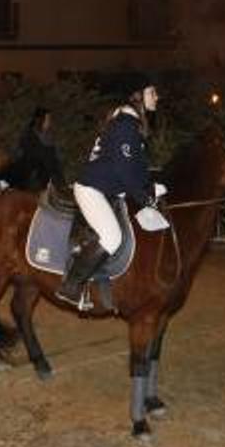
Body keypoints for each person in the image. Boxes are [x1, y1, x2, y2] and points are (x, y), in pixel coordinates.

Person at [56, 74, 163, 309]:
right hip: (93, 190)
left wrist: (153, 187)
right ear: (138, 96)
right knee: (112, 238)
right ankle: (71, 285)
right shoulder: (125, 125)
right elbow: (125, 173)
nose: (157, 96)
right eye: (152, 92)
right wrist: (146, 198)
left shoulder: (130, 123)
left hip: (109, 190)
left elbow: (137, 168)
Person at [8, 106, 63, 191]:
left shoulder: (48, 136)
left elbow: (54, 159)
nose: (49, 122)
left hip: (49, 180)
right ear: (40, 120)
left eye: (49, 119)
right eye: (47, 119)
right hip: (34, 181)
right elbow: (32, 159)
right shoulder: (28, 136)